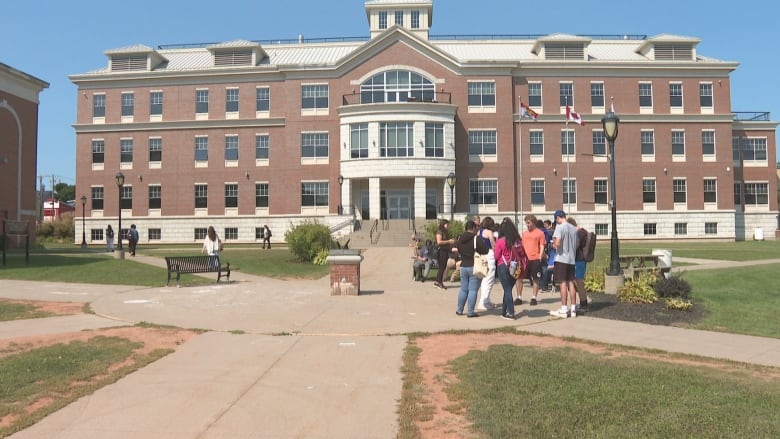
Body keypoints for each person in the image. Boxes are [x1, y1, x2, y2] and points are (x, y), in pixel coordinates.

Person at [455, 220, 489, 317]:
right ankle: (470, 312)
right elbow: (485, 250)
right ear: (473, 228)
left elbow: (458, 249)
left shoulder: (460, 238)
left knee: (463, 289)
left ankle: (459, 310)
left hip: (463, 265)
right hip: (474, 265)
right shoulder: (476, 238)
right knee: (473, 290)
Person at [550, 210, 578, 318]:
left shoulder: (560, 227)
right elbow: (576, 244)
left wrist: (554, 244)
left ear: (558, 218)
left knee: (562, 283)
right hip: (571, 259)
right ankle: (574, 309)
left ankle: (564, 309)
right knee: (571, 283)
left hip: (562, 258)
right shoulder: (573, 228)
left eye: (556, 219)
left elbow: (557, 243)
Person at [494, 218, 523, 320]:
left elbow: (496, 255)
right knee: (508, 289)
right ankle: (504, 311)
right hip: (516, 266)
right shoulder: (517, 240)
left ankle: (511, 312)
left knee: (507, 289)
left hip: (503, 265)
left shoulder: (500, 241)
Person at [517, 214, 547, 306]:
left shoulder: (540, 233)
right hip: (524, 260)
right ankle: (519, 297)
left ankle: (534, 297)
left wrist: (540, 256)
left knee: (535, 279)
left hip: (535, 259)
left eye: (529, 223)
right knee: (519, 278)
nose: (527, 225)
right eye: (526, 223)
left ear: (533, 222)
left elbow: (542, 245)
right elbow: (521, 245)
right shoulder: (524, 234)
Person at [476, 216, 497, 311]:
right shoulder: (489, 232)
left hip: (481, 255)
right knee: (489, 279)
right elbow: (493, 245)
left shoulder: (478, 232)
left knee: (484, 279)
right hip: (489, 254)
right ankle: (483, 302)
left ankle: (486, 300)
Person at [569, 217, 590, 312]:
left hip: (579, 260)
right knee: (576, 281)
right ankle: (582, 302)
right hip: (577, 260)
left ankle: (584, 304)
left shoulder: (580, 233)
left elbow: (575, 245)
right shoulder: (579, 232)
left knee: (579, 282)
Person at [434, 220, 456, 290]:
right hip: (441, 251)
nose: (448, 226)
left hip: (445, 250)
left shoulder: (445, 232)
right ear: (443, 224)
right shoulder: (439, 231)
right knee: (442, 267)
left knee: (443, 267)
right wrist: (449, 241)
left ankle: (438, 282)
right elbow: (439, 242)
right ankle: (438, 282)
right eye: (447, 224)